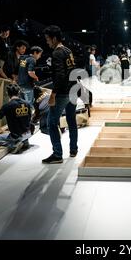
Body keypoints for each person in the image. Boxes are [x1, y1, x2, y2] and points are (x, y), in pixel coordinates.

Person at [42, 25, 78, 164]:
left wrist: (53, 94)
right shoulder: (68, 50)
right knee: (71, 121)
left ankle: (57, 154)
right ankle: (73, 149)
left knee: (51, 123)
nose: (47, 42)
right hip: (73, 91)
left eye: (48, 39)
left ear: (54, 38)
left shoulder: (57, 53)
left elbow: (60, 76)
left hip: (63, 93)